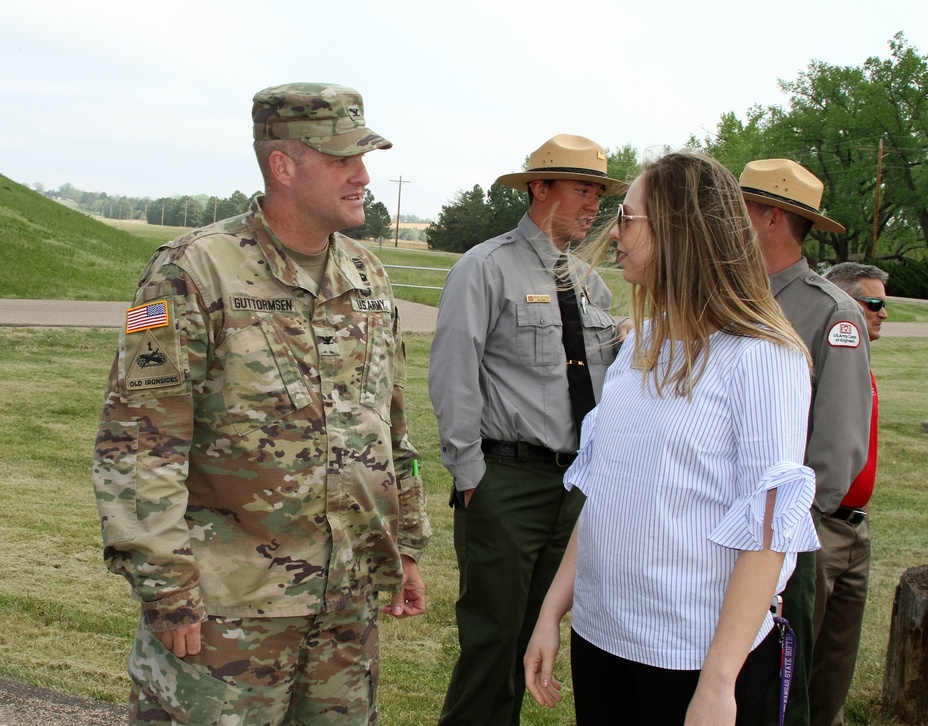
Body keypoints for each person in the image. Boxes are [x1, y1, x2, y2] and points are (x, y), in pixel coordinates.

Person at [92, 82, 431, 725]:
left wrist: (404, 544)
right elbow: (138, 442)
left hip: (346, 604)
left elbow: (388, 426)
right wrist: (166, 589)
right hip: (227, 610)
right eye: (342, 159)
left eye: (363, 158)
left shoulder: (367, 275)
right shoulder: (191, 271)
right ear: (283, 165)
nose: (363, 176)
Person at [523, 151, 819, 726]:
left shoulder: (763, 358)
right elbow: (606, 496)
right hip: (603, 638)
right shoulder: (642, 345)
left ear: (679, 230)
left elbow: (767, 532)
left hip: (692, 657)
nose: (614, 235)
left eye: (628, 218)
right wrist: (552, 612)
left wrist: (717, 682)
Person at [429, 134, 628, 725]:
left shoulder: (590, 284)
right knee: (493, 639)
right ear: (540, 188)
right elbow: (453, 371)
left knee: (537, 635)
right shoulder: (486, 267)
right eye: (583, 190)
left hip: (574, 485)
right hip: (506, 481)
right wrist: (471, 477)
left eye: (600, 193)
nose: (594, 205)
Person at [738, 159, 873, 726]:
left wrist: (795, 535)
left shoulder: (829, 312)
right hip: (737, 525)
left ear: (772, 217)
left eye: (740, 209)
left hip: (793, 535)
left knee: (783, 682)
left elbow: (838, 444)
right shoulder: (735, 295)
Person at [810, 262, 889, 726]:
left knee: (836, 663)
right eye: (873, 303)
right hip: (823, 527)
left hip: (856, 528)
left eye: (884, 304)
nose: (882, 314)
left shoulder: (862, 365)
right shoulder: (823, 357)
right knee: (800, 652)